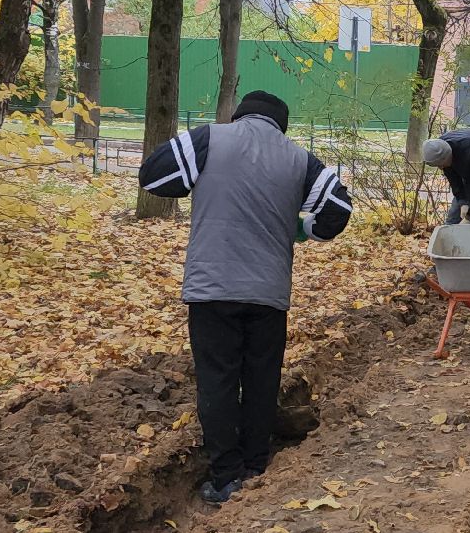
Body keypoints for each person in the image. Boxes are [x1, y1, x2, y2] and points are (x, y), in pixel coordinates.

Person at [139, 91, 353, 504]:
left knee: (217, 380)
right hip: (268, 292)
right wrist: (306, 230)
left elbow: (153, 175)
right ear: (282, 125)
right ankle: (256, 465)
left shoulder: (209, 139)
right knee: (260, 378)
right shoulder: (299, 158)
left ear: (239, 116)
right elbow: (338, 210)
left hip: (211, 288)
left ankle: (225, 477)